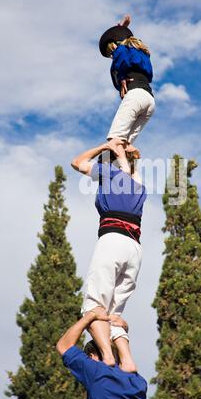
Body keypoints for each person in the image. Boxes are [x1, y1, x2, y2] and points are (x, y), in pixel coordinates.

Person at [71, 139, 146, 373]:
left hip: (112, 241)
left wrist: (103, 147)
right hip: (134, 248)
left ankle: (107, 356)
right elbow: (131, 166)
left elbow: (77, 163)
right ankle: (127, 359)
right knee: (114, 315)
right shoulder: (138, 185)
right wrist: (128, 155)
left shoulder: (109, 173)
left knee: (94, 307)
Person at [56, 307, 147, 399]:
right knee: (126, 361)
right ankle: (116, 333)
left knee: (93, 305)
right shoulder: (138, 383)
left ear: (91, 356)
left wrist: (91, 315)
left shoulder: (97, 373)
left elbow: (63, 346)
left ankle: (107, 353)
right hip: (124, 367)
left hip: (108, 363)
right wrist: (120, 330)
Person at [99, 14, 155, 156]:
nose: (111, 56)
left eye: (109, 52)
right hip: (149, 100)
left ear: (113, 45)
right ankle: (126, 168)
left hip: (135, 96)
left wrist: (122, 76)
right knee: (124, 145)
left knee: (114, 140)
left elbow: (121, 54)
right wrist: (121, 28)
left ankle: (109, 169)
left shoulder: (121, 50)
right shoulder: (141, 53)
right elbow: (122, 40)